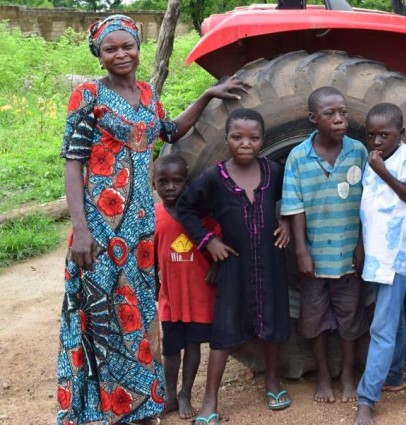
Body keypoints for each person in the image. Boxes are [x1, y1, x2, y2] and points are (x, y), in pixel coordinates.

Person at [57, 14, 247, 425]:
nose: (121, 54)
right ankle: (98, 410)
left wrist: (209, 95)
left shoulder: (146, 94)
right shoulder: (88, 95)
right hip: (101, 228)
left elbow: (170, 131)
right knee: (102, 316)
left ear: (139, 48)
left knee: (138, 316)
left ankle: (136, 405)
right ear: (99, 54)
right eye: (111, 48)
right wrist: (82, 231)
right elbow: (73, 164)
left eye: (128, 46)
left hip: (141, 227)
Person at [176, 108, 292, 424]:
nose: (245, 144)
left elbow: (294, 200)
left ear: (262, 140)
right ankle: (210, 399)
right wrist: (207, 241)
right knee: (225, 329)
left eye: (253, 138)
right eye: (237, 137)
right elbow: (185, 208)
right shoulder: (214, 179)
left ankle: (272, 381)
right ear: (226, 138)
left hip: (270, 263)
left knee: (272, 322)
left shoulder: (274, 172)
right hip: (233, 265)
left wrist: (287, 222)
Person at [281, 86, 369, 403]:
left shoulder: (358, 151)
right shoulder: (297, 157)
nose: (339, 119)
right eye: (329, 114)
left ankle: (347, 376)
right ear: (313, 118)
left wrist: (361, 244)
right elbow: (294, 207)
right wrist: (302, 251)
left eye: (343, 112)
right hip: (315, 261)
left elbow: (367, 203)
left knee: (350, 320)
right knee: (314, 321)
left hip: (348, 257)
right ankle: (322, 377)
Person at [355, 103, 406, 425]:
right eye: (372, 135)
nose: (377, 141)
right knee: (392, 319)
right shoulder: (374, 159)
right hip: (377, 254)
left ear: (401, 134)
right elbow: (368, 204)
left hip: (395, 256)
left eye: (385, 135)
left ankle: (366, 399)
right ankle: (393, 375)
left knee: (381, 328)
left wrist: (383, 170)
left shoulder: (404, 158)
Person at [153, 154, 218, 420]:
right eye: (163, 182)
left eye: (177, 181)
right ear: (153, 183)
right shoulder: (154, 216)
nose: (170, 187)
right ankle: (169, 394)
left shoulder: (198, 213)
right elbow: (148, 252)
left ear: (187, 183)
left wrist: (217, 265)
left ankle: (185, 394)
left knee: (193, 346)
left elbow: (218, 237)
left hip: (198, 296)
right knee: (171, 349)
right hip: (171, 298)